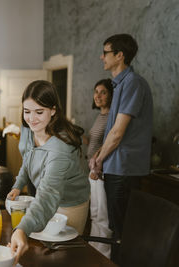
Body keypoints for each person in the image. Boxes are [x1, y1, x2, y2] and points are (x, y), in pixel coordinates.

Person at [7, 80, 90, 264]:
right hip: (45, 200)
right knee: (42, 254)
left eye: (39, 112)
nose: (31, 119)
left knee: (62, 259)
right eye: (27, 111)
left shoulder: (60, 148)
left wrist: (21, 229)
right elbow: (27, 160)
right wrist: (18, 184)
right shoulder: (28, 129)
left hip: (70, 205)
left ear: (53, 110)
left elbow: (48, 194)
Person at [89, 34, 153, 262]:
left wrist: (98, 160)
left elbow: (118, 133)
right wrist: (98, 154)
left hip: (124, 168)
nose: (101, 57)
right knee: (115, 228)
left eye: (105, 52)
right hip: (115, 166)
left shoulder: (133, 83)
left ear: (119, 55)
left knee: (121, 232)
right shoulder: (120, 85)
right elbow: (111, 131)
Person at [84, 79, 113, 258]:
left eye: (103, 92)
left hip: (100, 170)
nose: (98, 96)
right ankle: (94, 247)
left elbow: (109, 144)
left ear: (111, 95)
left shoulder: (112, 117)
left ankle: (104, 254)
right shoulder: (100, 116)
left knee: (101, 214)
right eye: (96, 91)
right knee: (94, 212)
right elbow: (95, 141)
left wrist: (97, 167)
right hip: (92, 169)